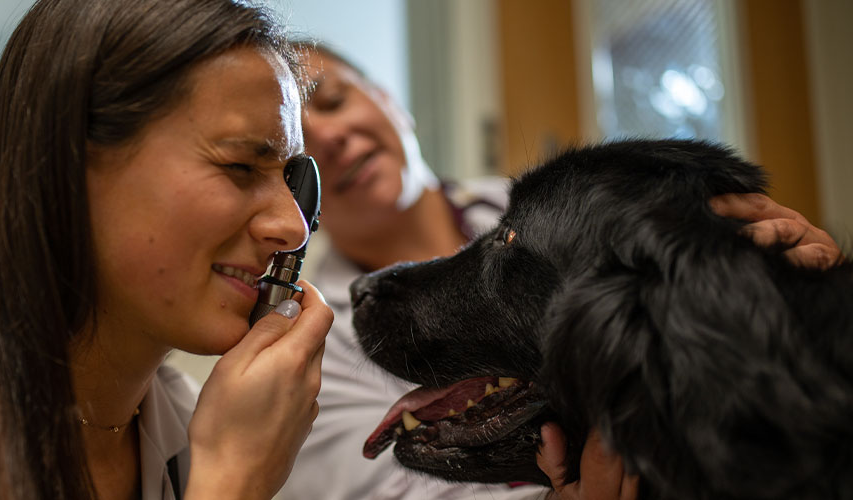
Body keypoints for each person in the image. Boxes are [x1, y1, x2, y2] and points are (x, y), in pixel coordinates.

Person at [277, 43, 842, 500]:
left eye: (332, 100)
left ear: (390, 101)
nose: (328, 137)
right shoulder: (299, 341)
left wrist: (797, 296)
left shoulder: (577, 207)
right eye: (299, 148)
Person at [0, 1, 334, 499]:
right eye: (240, 167)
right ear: (67, 161)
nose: (293, 227)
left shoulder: (201, 426)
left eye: (289, 179)